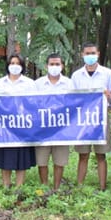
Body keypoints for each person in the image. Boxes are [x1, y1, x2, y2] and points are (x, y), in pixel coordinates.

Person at [70, 42, 111, 191]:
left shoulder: (107, 73)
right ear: (82, 55)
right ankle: (80, 187)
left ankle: (102, 187)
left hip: (101, 119)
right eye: (87, 53)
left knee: (101, 155)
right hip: (83, 120)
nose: (90, 56)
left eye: (92, 53)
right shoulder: (76, 75)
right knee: (83, 154)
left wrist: (109, 96)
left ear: (98, 54)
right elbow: (72, 98)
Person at [0, 54, 36, 188]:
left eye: (17, 63)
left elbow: (34, 105)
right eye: (12, 63)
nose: (14, 66)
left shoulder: (30, 83)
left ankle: (19, 187)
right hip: (4, 127)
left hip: (23, 127)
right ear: (8, 65)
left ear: (22, 66)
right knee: (5, 156)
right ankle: (6, 186)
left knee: (21, 158)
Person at [33, 54, 74, 189]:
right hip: (42, 129)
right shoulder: (38, 84)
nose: (54, 67)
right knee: (42, 160)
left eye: (57, 64)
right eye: (52, 64)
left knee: (60, 160)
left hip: (62, 129)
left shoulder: (69, 83)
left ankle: (56, 188)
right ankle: (44, 186)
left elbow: (76, 103)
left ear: (62, 66)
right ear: (46, 66)